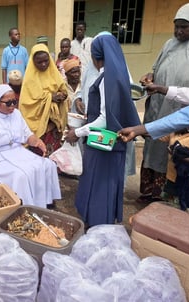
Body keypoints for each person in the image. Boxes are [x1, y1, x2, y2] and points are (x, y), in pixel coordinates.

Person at [64, 33, 140, 228]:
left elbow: (106, 118)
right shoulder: (120, 73)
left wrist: (77, 133)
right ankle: (103, 222)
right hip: (115, 142)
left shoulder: (107, 78)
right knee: (107, 185)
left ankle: (98, 225)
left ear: (97, 57)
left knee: (99, 186)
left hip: (103, 142)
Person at [137, 2, 189, 203]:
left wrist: (162, 88)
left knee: (173, 152)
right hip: (160, 107)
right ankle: (149, 192)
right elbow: (156, 67)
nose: (178, 31)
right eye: (176, 26)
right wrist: (150, 77)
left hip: (186, 115)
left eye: (184, 27)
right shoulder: (169, 45)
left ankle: (166, 197)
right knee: (154, 145)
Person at [0, 84, 61, 208]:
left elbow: (27, 135)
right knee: (21, 175)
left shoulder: (16, 114)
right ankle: (24, 208)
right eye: (8, 103)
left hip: (17, 151)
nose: (12, 106)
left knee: (48, 165)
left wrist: (37, 142)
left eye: (14, 102)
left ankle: (44, 202)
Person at [19, 43, 69, 157]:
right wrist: (51, 97)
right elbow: (28, 103)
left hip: (53, 125)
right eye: (39, 62)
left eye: (46, 61)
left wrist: (62, 95)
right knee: (38, 156)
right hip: (37, 125)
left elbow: (63, 90)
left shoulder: (54, 73)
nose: (43, 64)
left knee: (54, 157)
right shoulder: (29, 79)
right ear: (33, 61)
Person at [159, 126, 189, 211]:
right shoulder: (174, 133)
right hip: (173, 178)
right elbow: (159, 135)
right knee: (172, 208)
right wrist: (139, 130)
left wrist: (177, 155)